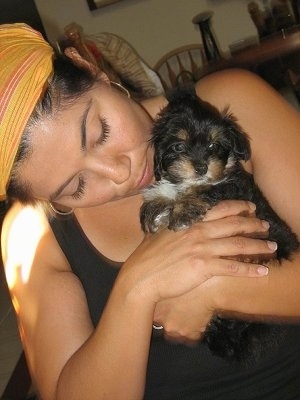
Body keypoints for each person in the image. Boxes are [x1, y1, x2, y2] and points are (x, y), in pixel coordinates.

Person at [1, 23, 300, 400]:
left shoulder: (230, 104)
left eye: (102, 132)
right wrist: (136, 291)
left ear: (92, 67)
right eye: (74, 187)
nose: (119, 173)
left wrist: (218, 291)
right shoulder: (30, 238)